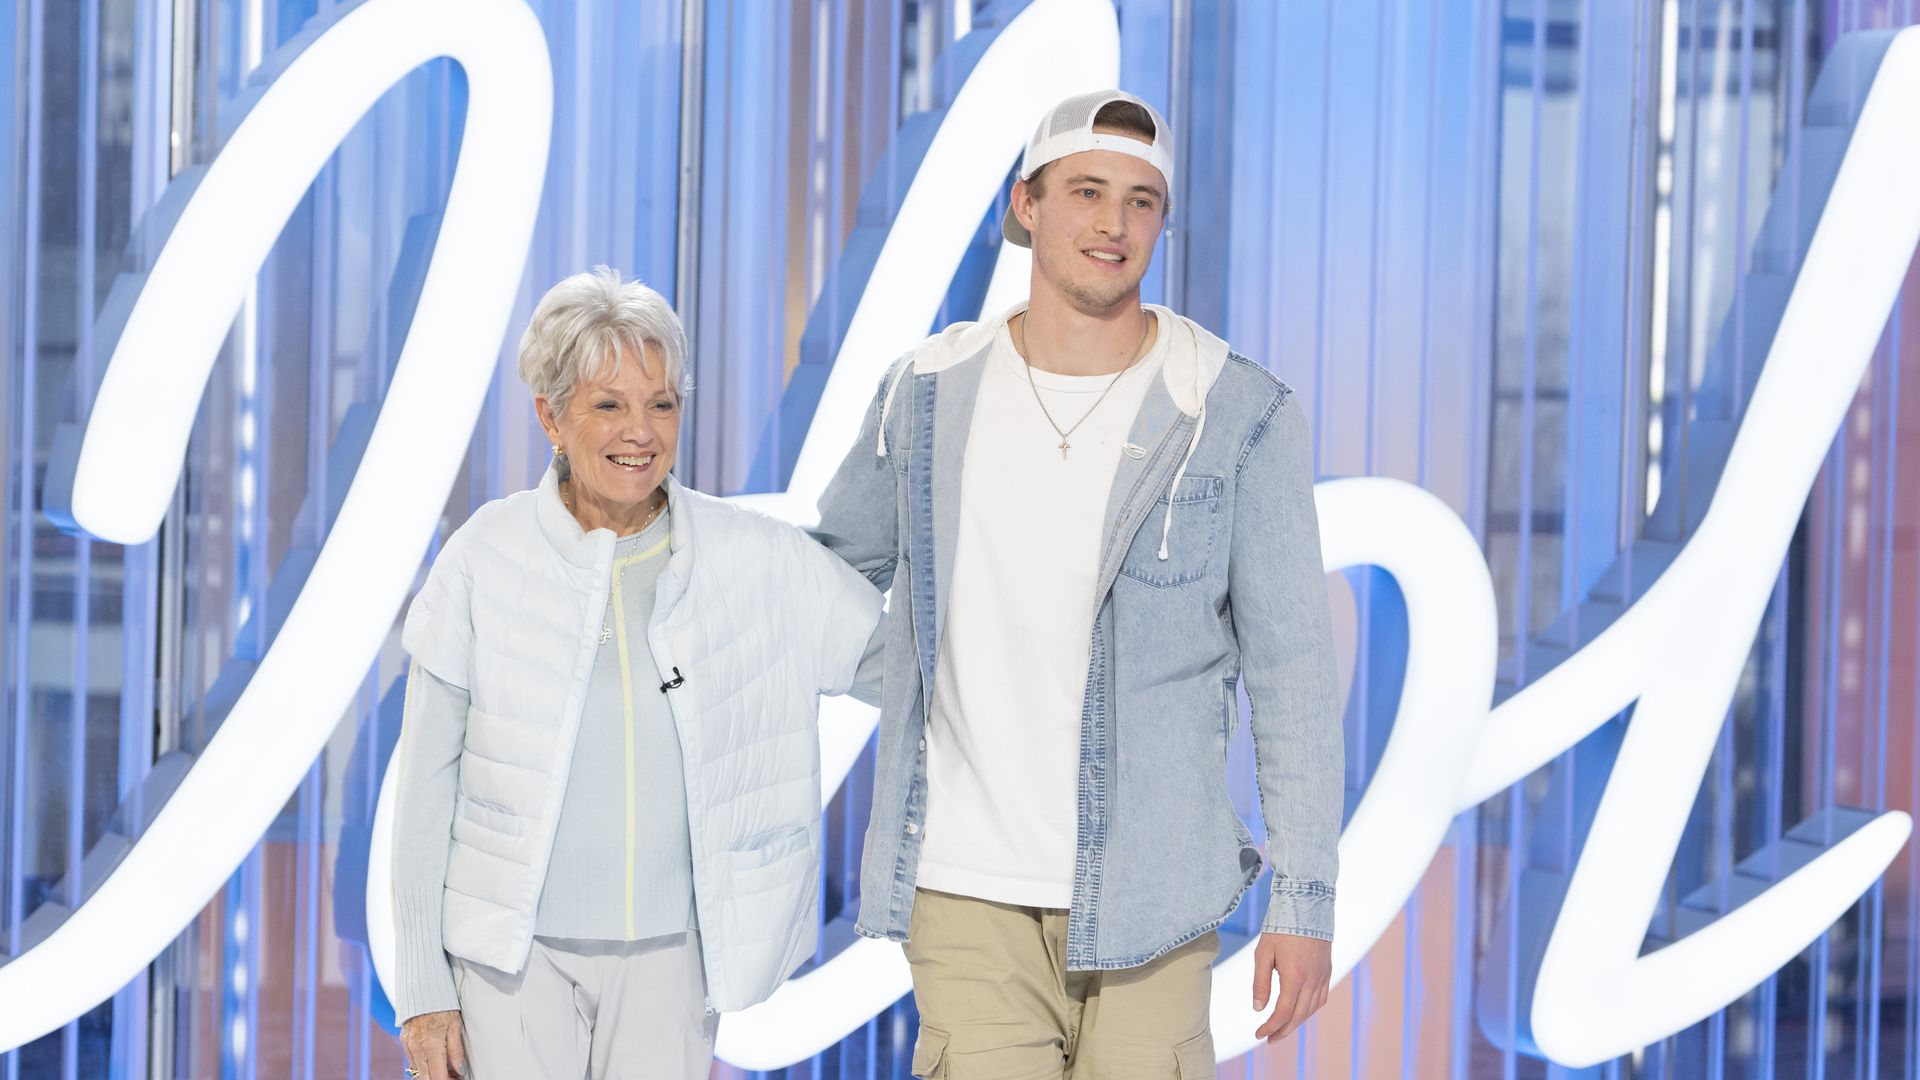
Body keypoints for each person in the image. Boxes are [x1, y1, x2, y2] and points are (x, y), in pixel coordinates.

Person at [812, 90, 1342, 1076]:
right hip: (966, 890)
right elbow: (831, 575)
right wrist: (921, 670)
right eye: (1088, 192)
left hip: (1156, 895)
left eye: (1142, 201)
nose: (1114, 223)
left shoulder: (1233, 411)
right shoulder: (927, 393)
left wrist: (1305, 903)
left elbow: (1292, 678)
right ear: (1027, 204)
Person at [390, 268, 885, 1080]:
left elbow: (901, 669)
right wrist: (421, 988)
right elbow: (425, 794)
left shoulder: (755, 558)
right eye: (609, 404)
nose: (641, 430)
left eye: (661, 403)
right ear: (551, 416)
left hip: (674, 959)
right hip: (508, 963)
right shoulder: (484, 556)